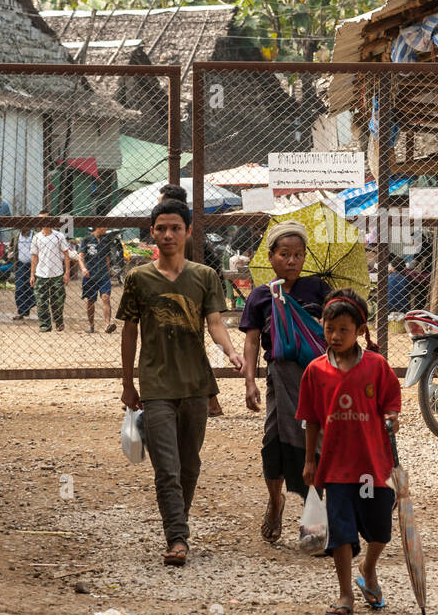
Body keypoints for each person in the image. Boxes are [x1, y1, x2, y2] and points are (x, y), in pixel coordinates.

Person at [119, 198, 243, 567]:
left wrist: (231, 352)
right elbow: (129, 333)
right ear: (152, 233)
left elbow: (216, 323)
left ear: (189, 232)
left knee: (190, 466)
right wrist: (128, 384)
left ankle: (178, 522)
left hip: (195, 385)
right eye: (161, 228)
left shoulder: (204, 276)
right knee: (167, 468)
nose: (169, 234)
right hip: (156, 385)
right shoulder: (138, 278)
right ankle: (177, 537)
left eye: (176, 228)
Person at [297, 289, 401, 615]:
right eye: (330, 329)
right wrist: (310, 461)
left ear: (359, 330)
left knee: (380, 528)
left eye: (344, 329)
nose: (336, 336)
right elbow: (311, 419)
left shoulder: (377, 367)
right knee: (340, 530)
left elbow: (391, 404)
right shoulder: (315, 371)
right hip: (336, 467)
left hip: (372, 464)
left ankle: (368, 568)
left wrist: (391, 418)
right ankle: (345, 595)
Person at [240, 221, 330, 543]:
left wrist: (324, 324)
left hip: (318, 380)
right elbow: (251, 342)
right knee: (273, 443)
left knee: (315, 445)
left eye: (297, 255)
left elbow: (338, 327)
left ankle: (314, 514)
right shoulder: (262, 296)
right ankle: (276, 501)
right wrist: (250, 382)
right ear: (271, 256)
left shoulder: (317, 289)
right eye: (284, 254)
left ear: (305, 257)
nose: (291, 261)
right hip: (279, 379)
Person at [159, 184, 223, 418]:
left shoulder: (181, 234)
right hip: (189, 294)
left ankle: (211, 401)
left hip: (192, 296)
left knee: (192, 349)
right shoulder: (184, 228)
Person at [31, 213, 79, 333]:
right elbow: (34, 257)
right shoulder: (36, 237)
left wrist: (67, 273)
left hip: (57, 273)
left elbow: (66, 255)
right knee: (41, 300)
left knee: (58, 300)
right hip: (41, 273)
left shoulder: (59, 236)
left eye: (45, 219)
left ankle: (58, 321)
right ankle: (45, 324)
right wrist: (32, 274)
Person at [81, 226, 119, 333]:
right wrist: (83, 268)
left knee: (106, 297)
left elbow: (107, 258)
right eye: (104, 226)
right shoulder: (87, 239)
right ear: (98, 227)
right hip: (90, 275)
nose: (106, 228)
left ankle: (107, 325)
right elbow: (81, 256)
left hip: (103, 275)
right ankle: (91, 325)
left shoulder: (106, 241)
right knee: (90, 301)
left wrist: (108, 273)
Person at [10, 226, 35, 320]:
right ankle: (21, 312)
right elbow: (13, 247)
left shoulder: (34, 236)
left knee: (30, 289)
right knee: (19, 288)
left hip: (33, 265)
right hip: (20, 265)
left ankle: (27, 308)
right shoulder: (17, 236)